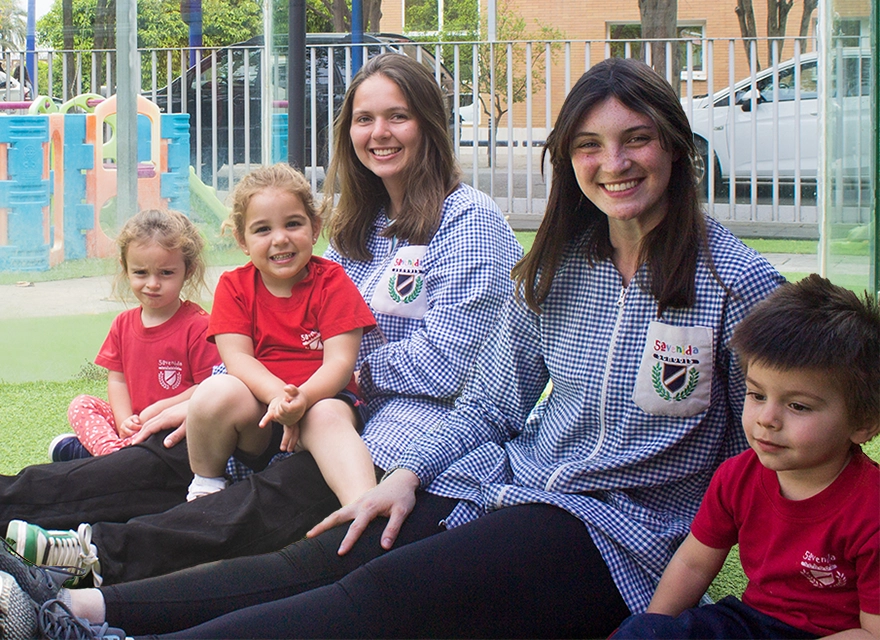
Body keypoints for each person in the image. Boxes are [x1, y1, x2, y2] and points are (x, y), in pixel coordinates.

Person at [3, 56, 785, 639]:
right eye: (590, 145)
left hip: (573, 514)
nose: (613, 164)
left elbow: (451, 372)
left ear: (676, 146)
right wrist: (257, 383)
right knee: (179, 452)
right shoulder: (546, 268)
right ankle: (57, 581)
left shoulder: (735, 286)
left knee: (348, 578)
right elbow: (491, 401)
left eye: (636, 140)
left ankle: (81, 597)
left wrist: (324, 377)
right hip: (481, 476)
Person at [0, 51, 521, 587]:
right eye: (365, 119)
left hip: (388, 424)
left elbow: (451, 365)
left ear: (430, 124)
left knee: (268, 498)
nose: (379, 133)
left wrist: (321, 385)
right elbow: (275, 334)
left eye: (398, 116)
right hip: (287, 395)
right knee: (167, 449)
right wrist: (195, 398)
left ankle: (95, 560)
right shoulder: (355, 230)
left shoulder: (468, 222)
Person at [611, 275, 880, 640]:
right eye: (756, 395)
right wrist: (658, 627)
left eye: (798, 405)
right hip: (750, 622)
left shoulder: (871, 508)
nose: (767, 418)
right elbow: (693, 563)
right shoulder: (737, 476)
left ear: (863, 424)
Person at [185, 164, 377, 506]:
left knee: (327, 416)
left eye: (293, 223)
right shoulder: (234, 287)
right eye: (262, 229)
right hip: (259, 411)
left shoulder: (333, 282)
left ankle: (362, 507)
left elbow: (341, 362)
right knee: (215, 391)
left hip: (322, 399)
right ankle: (206, 482)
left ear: (315, 227)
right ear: (242, 241)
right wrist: (279, 398)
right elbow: (238, 359)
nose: (280, 239)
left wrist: (301, 400)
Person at [47, 209, 220, 463]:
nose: (152, 283)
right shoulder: (122, 324)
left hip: (172, 428)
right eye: (140, 273)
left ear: (189, 270)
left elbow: (208, 388)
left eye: (166, 273)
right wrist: (123, 419)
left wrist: (161, 410)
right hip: (132, 425)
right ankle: (115, 456)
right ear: (125, 268)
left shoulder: (198, 326)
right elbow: (117, 381)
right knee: (82, 404)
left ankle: (96, 458)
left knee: (177, 435)